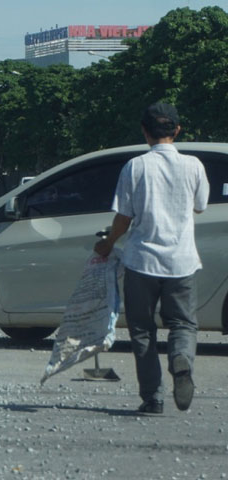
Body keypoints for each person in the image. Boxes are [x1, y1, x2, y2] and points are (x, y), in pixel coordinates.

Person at [94, 103, 209, 414]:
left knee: (143, 330)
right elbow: (200, 207)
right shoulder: (194, 165)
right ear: (177, 130)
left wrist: (108, 243)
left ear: (145, 132)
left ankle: (152, 398)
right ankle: (180, 358)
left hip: (141, 261)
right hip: (182, 262)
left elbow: (123, 218)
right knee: (183, 323)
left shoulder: (136, 166)